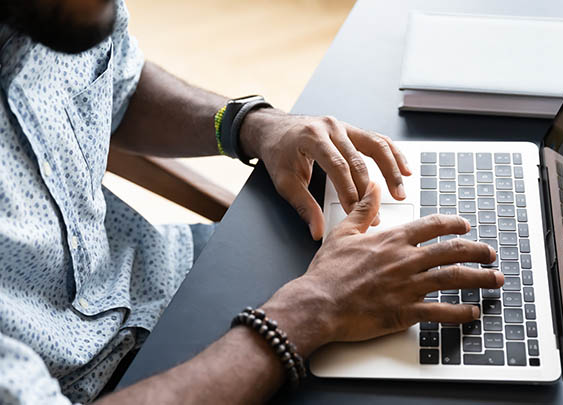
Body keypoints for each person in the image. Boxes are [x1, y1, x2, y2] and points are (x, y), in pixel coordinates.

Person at [0, 0, 503, 403]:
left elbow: (119, 86)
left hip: (165, 277)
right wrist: (310, 310)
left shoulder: (61, 14)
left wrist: (249, 125)